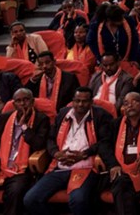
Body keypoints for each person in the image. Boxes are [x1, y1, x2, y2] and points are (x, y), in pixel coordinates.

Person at [23, 87, 114, 215]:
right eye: (77, 101)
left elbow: (105, 141)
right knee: (31, 199)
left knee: (78, 200)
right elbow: (50, 139)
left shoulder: (101, 116)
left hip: (85, 168)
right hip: (60, 167)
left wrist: (84, 154)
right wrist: (56, 153)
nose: (80, 104)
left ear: (91, 102)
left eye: (85, 101)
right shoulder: (63, 114)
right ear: (72, 101)